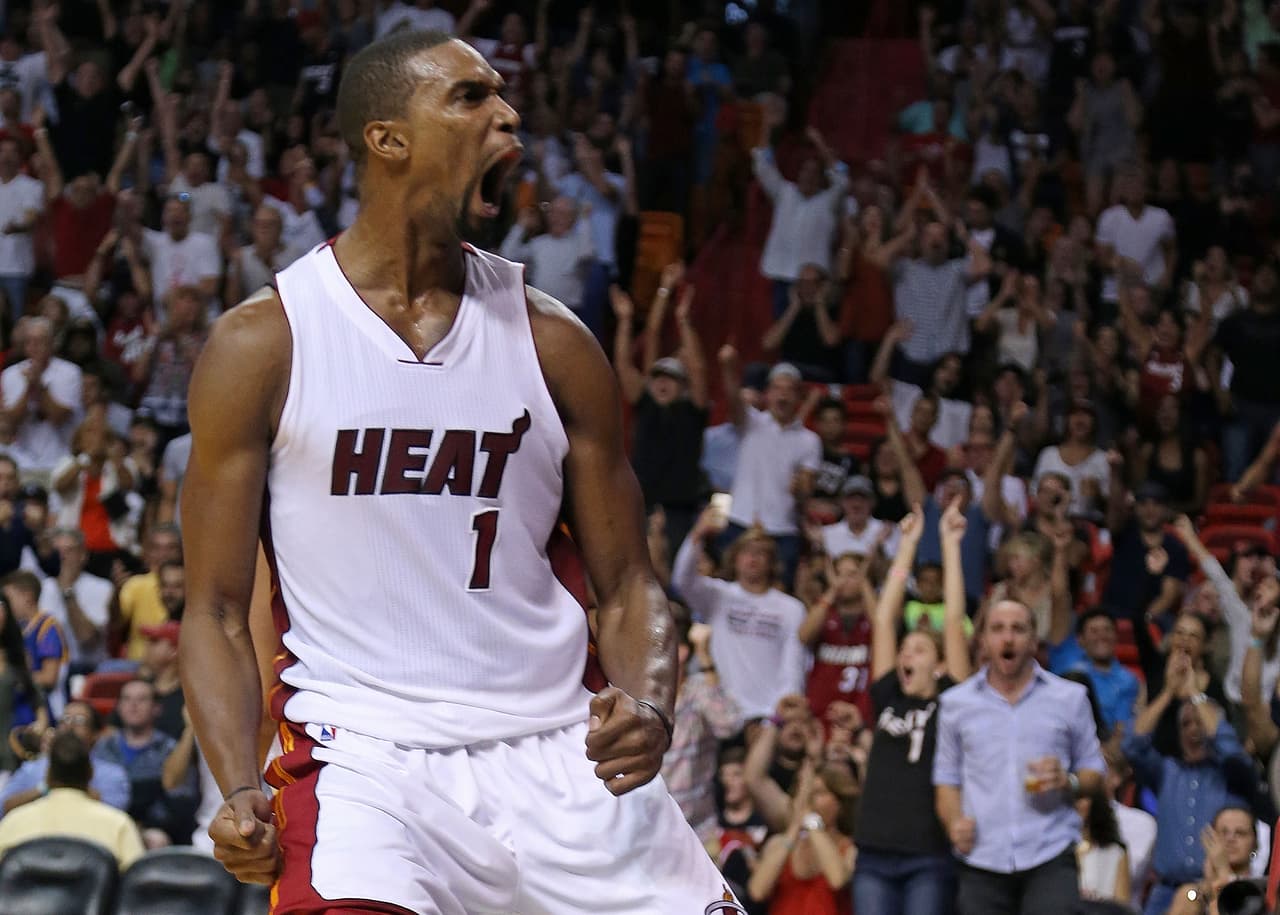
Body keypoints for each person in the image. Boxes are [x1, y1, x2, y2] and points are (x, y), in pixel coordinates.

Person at [180, 31, 740, 912]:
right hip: (371, 762)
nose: (508, 114)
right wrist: (238, 785)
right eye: (471, 97)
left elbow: (629, 581)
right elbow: (213, 607)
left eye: (503, 97)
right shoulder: (265, 344)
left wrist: (649, 701)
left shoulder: (556, 342)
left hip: (566, 751)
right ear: (387, 137)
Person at [933, 598, 1107, 915]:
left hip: (1050, 852)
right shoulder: (955, 704)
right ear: (983, 640)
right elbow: (946, 779)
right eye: (997, 629)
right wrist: (954, 822)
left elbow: (1094, 772)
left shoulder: (1069, 698)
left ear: (1033, 639)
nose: (1008, 638)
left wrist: (1067, 781)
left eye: (1018, 629)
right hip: (981, 857)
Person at [853, 501, 971, 915]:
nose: (906, 654)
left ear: (939, 666)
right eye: (905, 649)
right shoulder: (888, 696)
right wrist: (906, 546)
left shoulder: (953, 701)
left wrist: (949, 544)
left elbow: (954, 621)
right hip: (873, 850)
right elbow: (884, 619)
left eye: (919, 649)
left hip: (929, 854)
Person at [1122, 652, 1256, 915]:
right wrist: (1169, 693)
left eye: (1199, 724)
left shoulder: (1231, 774)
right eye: (1185, 724)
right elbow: (1132, 745)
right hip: (1164, 891)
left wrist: (1195, 693)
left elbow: (1232, 750)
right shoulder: (1166, 771)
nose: (1193, 730)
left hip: (1217, 888)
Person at [674, 510, 809, 721]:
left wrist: (785, 705)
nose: (753, 558)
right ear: (735, 558)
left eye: (760, 553)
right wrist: (697, 535)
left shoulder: (792, 608)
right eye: (746, 552)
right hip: (723, 711)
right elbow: (682, 580)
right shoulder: (718, 596)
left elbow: (793, 660)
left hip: (768, 712)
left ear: (772, 562)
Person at [0, 731, 143, 868]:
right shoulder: (118, 825)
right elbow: (138, 881)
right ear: (90, 773)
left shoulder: (14, 822)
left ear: (48, 776)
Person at [662, 613, 743, 843]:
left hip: (698, 831)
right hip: (650, 828)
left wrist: (705, 655)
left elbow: (728, 724)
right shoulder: (638, 692)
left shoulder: (697, 689)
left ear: (681, 652)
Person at [745, 762, 858, 914]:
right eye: (804, 793)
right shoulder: (779, 843)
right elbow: (757, 892)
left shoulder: (850, 848)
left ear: (839, 803)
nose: (809, 800)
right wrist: (794, 828)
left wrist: (811, 820)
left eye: (819, 793)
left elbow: (837, 880)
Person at [0, 699, 129, 815]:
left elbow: (114, 813)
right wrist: (44, 787)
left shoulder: (112, 774)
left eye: (80, 721)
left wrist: (64, 782)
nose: (70, 726)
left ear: (95, 734)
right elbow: (3, 808)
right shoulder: (33, 768)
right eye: (65, 719)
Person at [1168, 807, 1260, 915]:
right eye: (1224, 832)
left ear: (1255, 844)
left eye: (1240, 833)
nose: (1231, 839)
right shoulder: (1192, 894)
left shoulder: (1262, 890)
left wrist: (1223, 870)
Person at [1074, 782, 1131, 905]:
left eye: (1081, 797)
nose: (1075, 804)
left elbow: (1121, 906)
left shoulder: (1115, 853)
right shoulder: (1050, 850)